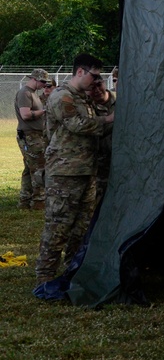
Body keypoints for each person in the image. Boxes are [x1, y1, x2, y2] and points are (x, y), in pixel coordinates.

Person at [36, 55, 114, 285]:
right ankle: (45, 276)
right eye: (94, 75)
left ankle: (73, 270)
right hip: (64, 172)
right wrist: (109, 119)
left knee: (81, 226)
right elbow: (77, 125)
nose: (97, 80)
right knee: (58, 226)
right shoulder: (63, 96)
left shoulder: (84, 99)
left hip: (86, 171)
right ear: (80, 72)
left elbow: (98, 125)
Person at [15, 69, 50, 210]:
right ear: (35, 79)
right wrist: (44, 111)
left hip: (35, 135)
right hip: (30, 136)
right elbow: (26, 115)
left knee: (29, 168)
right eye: (42, 82)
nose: (44, 85)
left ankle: (25, 200)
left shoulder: (33, 94)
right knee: (38, 167)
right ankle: (38, 201)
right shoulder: (25, 93)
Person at [88, 76, 116, 206]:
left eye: (99, 85)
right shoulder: (88, 107)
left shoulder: (121, 100)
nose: (97, 90)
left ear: (104, 83)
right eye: (92, 87)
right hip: (99, 160)